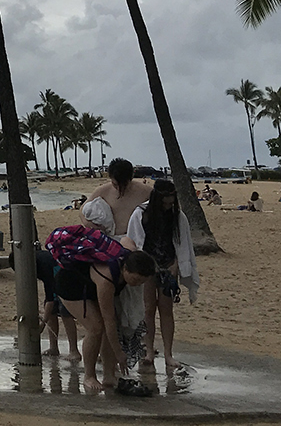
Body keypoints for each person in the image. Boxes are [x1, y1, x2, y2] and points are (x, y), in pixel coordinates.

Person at [54, 240, 157, 393]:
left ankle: (109, 376)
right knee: (96, 327)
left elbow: (126, 240)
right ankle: (89, 376)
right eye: (135, 280)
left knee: (109, 328)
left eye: (141, 282)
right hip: (70, 286)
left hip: (90, 286)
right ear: (125, 269)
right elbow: (109, 320)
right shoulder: (106, 279)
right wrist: (119, 353)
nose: (136, 284)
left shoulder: (128, 256)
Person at [127, 179, 198, 371]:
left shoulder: (177, 216)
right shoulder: (141, 214)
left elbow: (182, 243)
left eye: (171, 202)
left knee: (166, 310)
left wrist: (176, 264)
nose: (168, 206)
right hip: (147, 267)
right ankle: (149, 351)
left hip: (168, 266)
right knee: (148, 309)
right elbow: (135, 241)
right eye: (165, 203)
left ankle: (168, 354)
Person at [87, 158, 151, 236]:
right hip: (111, 237)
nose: (119, 188)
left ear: (131, 178)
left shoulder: (146, 191)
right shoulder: (103, 191)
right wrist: (90, 224)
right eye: (115, 184)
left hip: (135, 238)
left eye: (124, 185)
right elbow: (83, 210)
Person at [35, 249, 80, 360]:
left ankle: (74, 351)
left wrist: (42, 324)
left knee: (65, 311)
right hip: (56, 276)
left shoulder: (43, 266)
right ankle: (53, 348)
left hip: (65, 276)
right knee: (52, 310)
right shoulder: (37, 260)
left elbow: (50, 299)